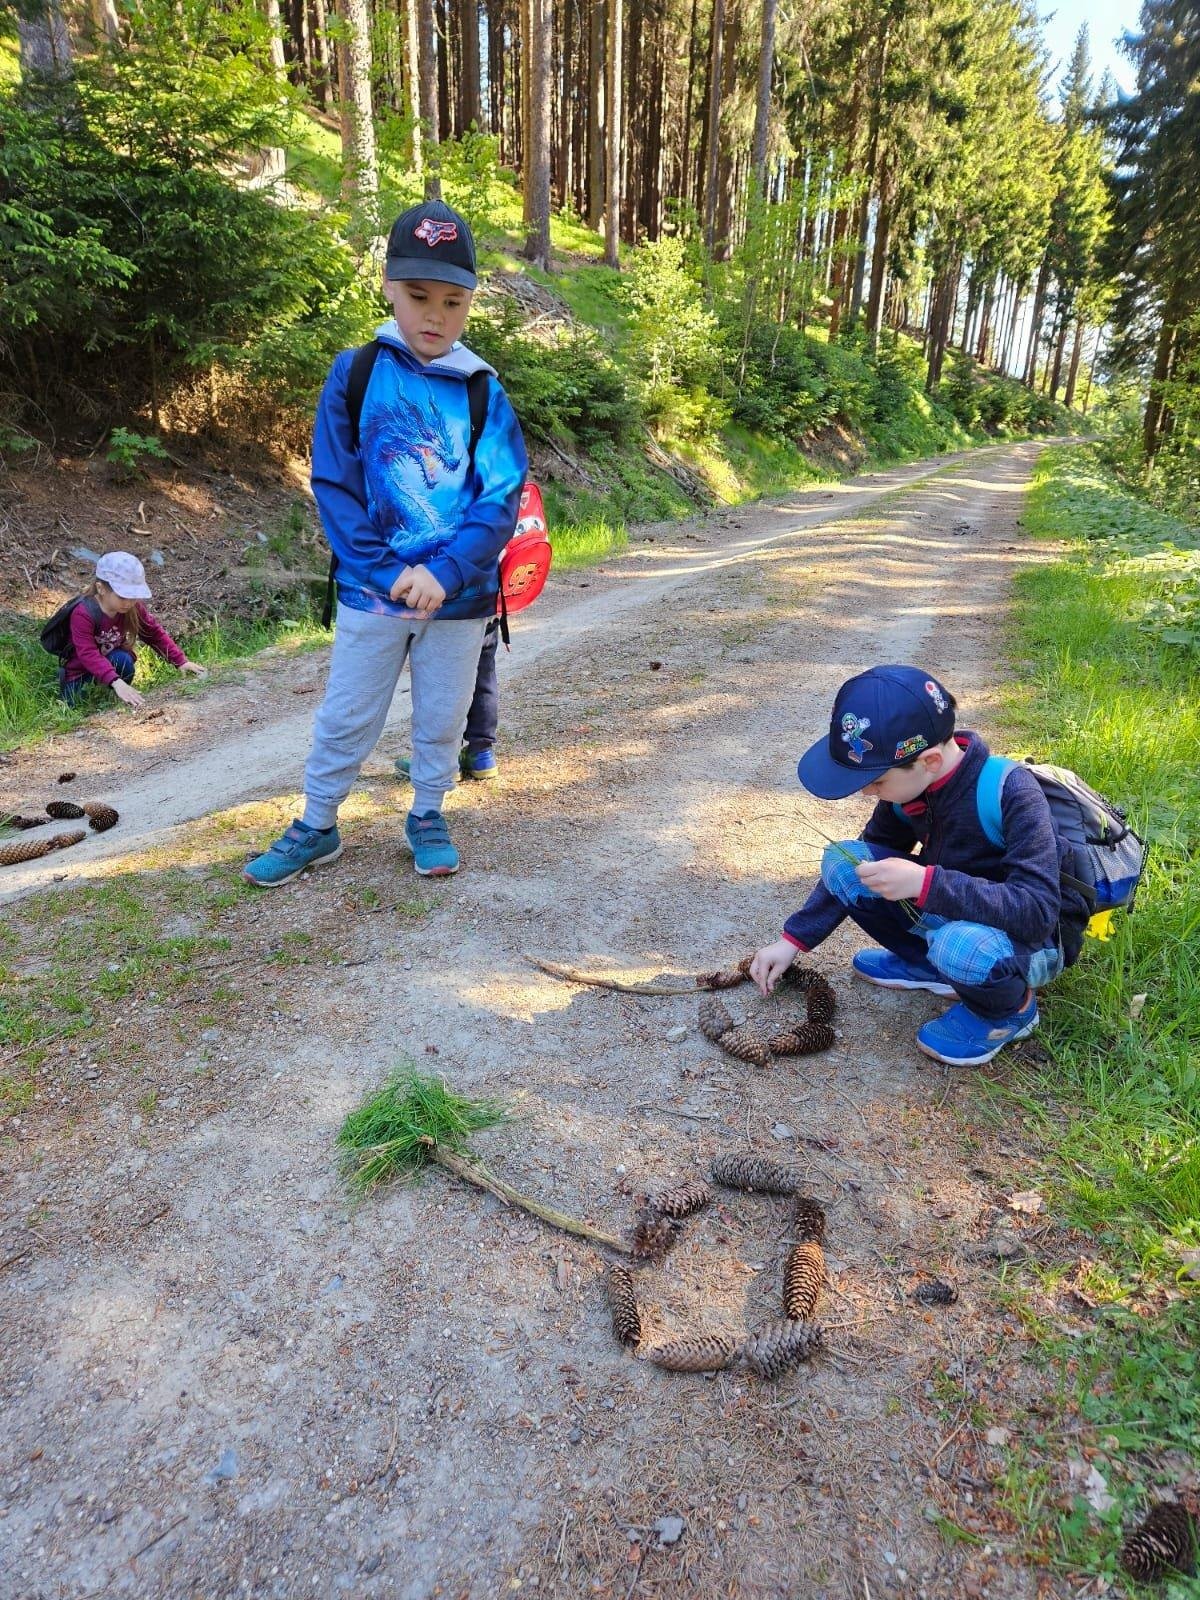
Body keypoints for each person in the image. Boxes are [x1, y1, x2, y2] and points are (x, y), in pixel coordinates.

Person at [242, 199, 527, 887]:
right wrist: (383, 569)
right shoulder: (357, 371)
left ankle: (427, 812)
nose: (436, 315)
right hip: (372, 591)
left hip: (458, 599)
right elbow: (335, 481)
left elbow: (500, 496)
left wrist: (448, 572)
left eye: (453, 302)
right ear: (390, 288)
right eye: (419, 296)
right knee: (347, 712)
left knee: (443, 715)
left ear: (470, 302)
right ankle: (317, 823)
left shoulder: (483, 390)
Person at [750, 665, 1090, 1067]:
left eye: (876, 781)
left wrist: (926, 883)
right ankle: (931, 967)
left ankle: (1009, 1010)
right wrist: (793, 940)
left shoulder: (1011, 792)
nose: (866, 792)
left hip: (1029, 941)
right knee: (844, 862)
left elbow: (1037, 912)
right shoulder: (909, 791)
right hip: (955, 915)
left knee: (957, 944)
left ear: (929, 760)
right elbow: (866, 857)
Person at [58, 552, 207, 708]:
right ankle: (112, 687)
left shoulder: (133, 608)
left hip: (112, 662)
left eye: (133, 596)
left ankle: (113, 694)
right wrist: (115, 681)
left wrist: (181, 661)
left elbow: (153, 633)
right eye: (123, 596)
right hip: (80, 672)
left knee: (123, 660)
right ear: (101, 588)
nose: (129, 602)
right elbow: (87, 653)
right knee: (76, 705)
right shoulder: (83, 613)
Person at [393, 616, 500, 783]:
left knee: (445, 681)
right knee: (484, 674)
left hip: (454, 614)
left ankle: (445, 760)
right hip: (487, 608)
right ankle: (481, 755)